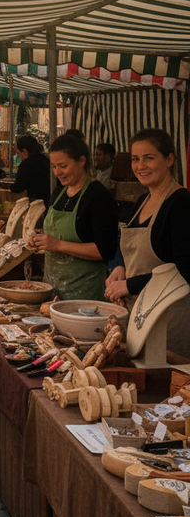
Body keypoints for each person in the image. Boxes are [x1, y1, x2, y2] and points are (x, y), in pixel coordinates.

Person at [105, 129, 190, 357]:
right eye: (135, 159)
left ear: (169, 160)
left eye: (149, 158)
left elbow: (183, 270)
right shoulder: (143, 200)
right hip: (138, 313)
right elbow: (125, 247)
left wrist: (129, 285)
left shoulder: (181, 203)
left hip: (168, 319)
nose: (141, 165)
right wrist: (119, 267)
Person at [28, 134, 118, 301]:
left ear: (81, 161)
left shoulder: (98, 196)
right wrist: (39, 236)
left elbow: (105, 250)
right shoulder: (58, 193)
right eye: (54, 166)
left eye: (63, 166)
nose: (57, 172)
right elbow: (51, 231)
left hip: (85, 295)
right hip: (53, 289)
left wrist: (58, 244)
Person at [10, 135, 51, 203]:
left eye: (18, 153)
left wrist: (9, 187)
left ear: (24, 151)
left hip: (36, 203)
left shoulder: (26, 164)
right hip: (50, 200)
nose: (19, 156)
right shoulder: (45, 160)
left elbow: (18, 188)